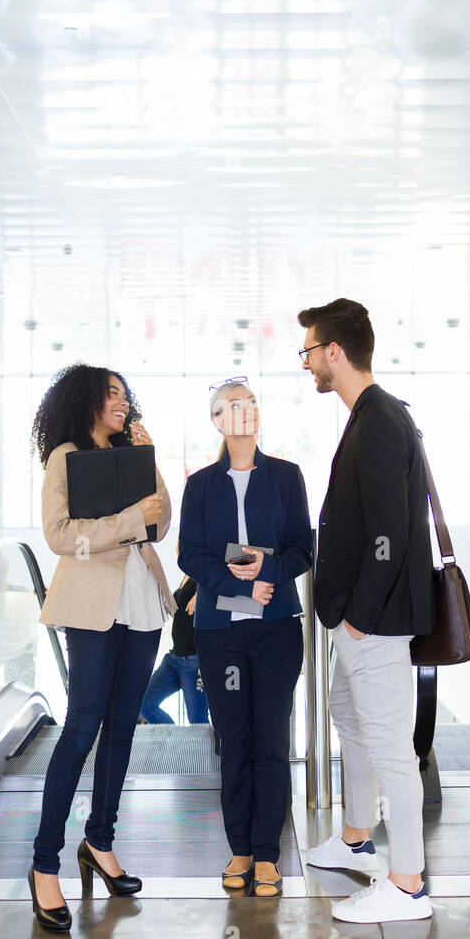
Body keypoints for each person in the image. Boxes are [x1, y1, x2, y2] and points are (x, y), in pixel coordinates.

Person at [298, 299, 435, 923]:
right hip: (357, 617)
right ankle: (355, 837)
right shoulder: (370, 415)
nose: (307, 365)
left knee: (389, 747)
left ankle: (406, 885)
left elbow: (390, 530)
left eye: (309, 352)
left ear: (334, 351)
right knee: (351, 725)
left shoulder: (379, 419)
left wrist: (360, 615)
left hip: (372, 622)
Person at [27, 364, 175, 933]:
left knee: (123, 725)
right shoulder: (65, 456)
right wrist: (126, 520)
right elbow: (61, 535)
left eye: (123, 393)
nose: (120, 401)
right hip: (91, 603)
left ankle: (100, 841)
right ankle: (45, 864)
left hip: (142, 598)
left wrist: (151, 460)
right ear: (87, 400)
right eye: (110, 393)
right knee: (83, 725)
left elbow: (158, 524)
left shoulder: (132, 452)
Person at [178, 377, 312, 897]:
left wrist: (268, 572)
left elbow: (303, 548)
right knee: (234, 743)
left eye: (252, 401)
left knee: (272, 742)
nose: (246, 409)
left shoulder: (286, 477)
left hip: (276, 630)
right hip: (220, 634)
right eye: (234, 404)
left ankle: (267, 854)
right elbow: (190, 553)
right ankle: (238, 848)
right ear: (217, 421)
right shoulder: (201, 485)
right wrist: (236, 581)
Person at [139, 575, 208, 725]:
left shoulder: (203, 574)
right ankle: (176, 742)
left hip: (194, 661)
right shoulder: (186, 576)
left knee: (198, 722)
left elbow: (220, 588)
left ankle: (209, 749)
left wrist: (202, 595)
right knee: (145, 704)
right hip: (173, 658)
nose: (178, 550)